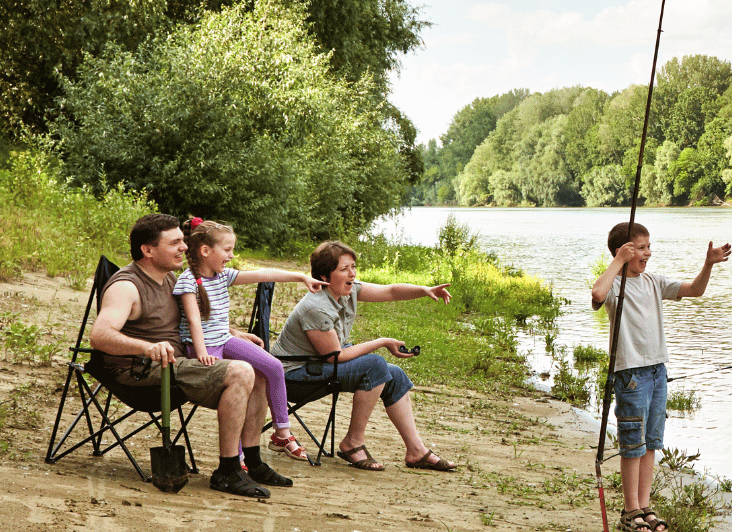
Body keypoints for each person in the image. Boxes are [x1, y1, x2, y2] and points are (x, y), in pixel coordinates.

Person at [90, 213, 292, 498]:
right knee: (241, 371)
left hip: (176, 363)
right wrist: (145, 347)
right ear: (147, 250)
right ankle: (228, 470)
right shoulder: (127, 286)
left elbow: (193, 320)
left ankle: (253, 462)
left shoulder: (171, 278)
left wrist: (232, 332)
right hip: (140, 369)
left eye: (183, 241)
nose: (185, 248)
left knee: (258, 370)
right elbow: (100, 335)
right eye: (175, 243)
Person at [590, 222, 731, 532]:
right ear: (623, 251)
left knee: (651, 441)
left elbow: (694, 290)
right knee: (633, 444)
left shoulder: (653, 282)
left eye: (648, 246)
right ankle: (630, 512)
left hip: (657, 371)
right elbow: (597, 293)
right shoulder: (615, 284)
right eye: (640, 248)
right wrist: (618, 262)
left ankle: (644, 505)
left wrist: (708, 264)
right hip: (630, 375)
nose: (648, 253)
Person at [270, 241, 457, 472]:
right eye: (344, 269)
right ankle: (353, 443)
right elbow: (335, 356)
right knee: (375, 364)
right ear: (324, 276)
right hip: (293, 378)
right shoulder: (315, 307)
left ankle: (416, 450)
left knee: (394, 374)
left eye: (353, 266)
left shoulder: (346, 292)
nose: (352, 273)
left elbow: (389, 291)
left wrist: (424, 290)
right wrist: (382, 342)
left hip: (317, 367)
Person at [175, 218, 328, 462]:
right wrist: (202, 351)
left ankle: (282, 432)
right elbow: (194, 321)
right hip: (203, 348)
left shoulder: (223, 276)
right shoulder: (188, 281)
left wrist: (300, 277)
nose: (231, 255)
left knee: (273, 366)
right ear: (205, 251)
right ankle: (236, 457)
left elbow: (262, 274)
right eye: (227, 250)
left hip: (224, 340)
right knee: (236, 394)